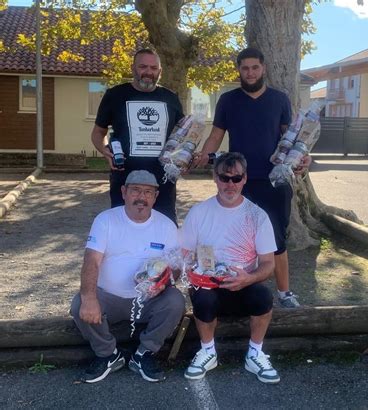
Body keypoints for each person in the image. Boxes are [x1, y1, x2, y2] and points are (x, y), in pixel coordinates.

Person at [194, 47, 310, 308]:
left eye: (254, 67)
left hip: (274, 182)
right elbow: (216, 135)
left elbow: (291, 139)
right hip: (238, 181)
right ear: (239, 70)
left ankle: (284, 293)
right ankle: (237, 282)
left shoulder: (280, 100)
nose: (250, 73)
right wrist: (202, 155)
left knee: (277, 238)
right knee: (236, 235)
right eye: (245, 68)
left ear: (263, 68)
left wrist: (304, 158)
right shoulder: (227, 100)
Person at [70, 170, 185, 383]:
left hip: (148, 299)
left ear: (155, 196)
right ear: (123, 192)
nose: (141, 197)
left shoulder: (166, 225)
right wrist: (89, 297)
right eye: (135, 191)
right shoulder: (106, 220)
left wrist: (163, 283)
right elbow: (91, 261)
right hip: (109, 297)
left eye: (148, 192)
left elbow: (176, 267)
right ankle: (108, 355)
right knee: (79, 304)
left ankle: (144, 354)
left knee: (176, 301)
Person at [181, 152, 280, 384]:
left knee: (263, 296)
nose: (230, 184)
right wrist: (194, 271)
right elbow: (184, 255)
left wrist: (248, 278)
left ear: (245, 179)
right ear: (214, 177)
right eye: (224, 178)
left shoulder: (257, 216)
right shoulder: (198, 212)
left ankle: (255, 352)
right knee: (204, 300)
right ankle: (208, 351)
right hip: (207, 285)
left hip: (243, 283)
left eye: (236, 179)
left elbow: (268, 265)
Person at [91, 48, 184, 224]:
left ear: (160, 71)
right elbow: (98, 133)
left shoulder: (171, 98)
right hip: (125, 178)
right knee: (123, 226)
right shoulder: (115, 95)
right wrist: (105, 152)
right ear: (133, 68)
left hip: (163, 180)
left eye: (153, 68)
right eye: (143, 66)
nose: (148, 72)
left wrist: (183, 159)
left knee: (165, 226)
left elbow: (181, 137)